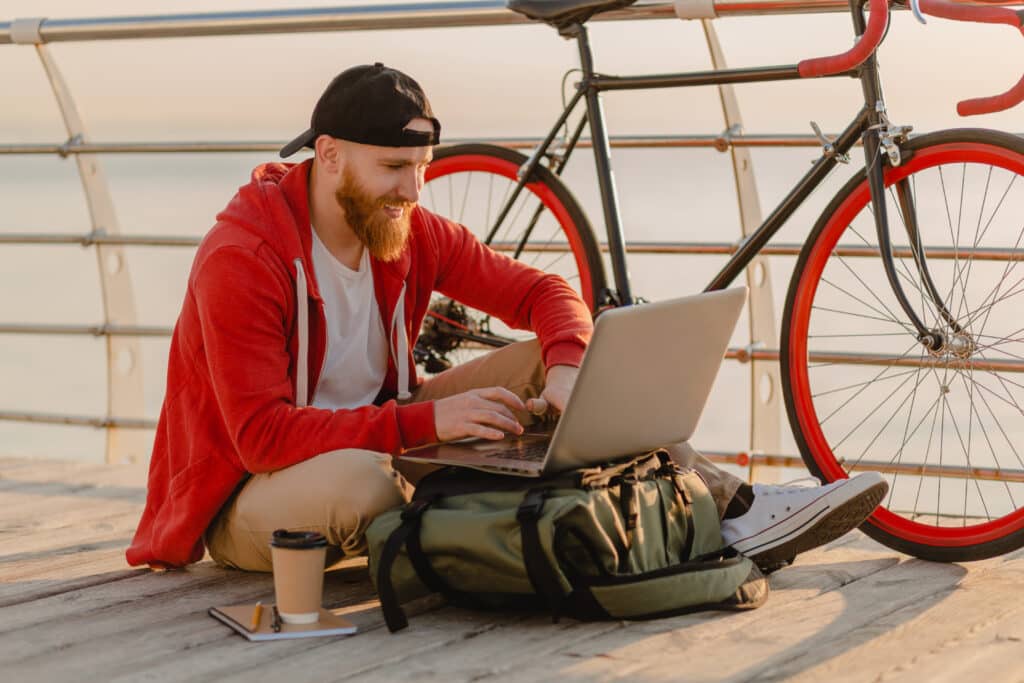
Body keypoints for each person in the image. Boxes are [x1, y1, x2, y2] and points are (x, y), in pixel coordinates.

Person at [126, 63, 887, 575]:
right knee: (366, 485)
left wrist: (562, 371)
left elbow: (546, 294)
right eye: (394, 169)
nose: (413, 191)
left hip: (384, 435)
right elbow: (261, 433)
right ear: (328, 156)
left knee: (565, 365)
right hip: (247, 493)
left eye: (421, 170)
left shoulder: (405, 228)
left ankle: (732, 507)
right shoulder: (246, 255)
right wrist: (432, 423)